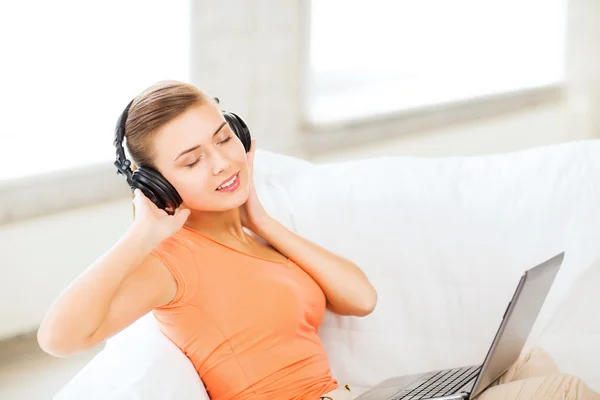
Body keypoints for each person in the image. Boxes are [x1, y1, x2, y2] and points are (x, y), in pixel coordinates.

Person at [37, 81, 599, 400]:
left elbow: (361, 297)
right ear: (157, 183)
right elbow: (59, 338)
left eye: (223, 138)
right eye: (192, 160)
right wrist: (143, 231)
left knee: (531, 361)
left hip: (350, 396)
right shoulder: (172, 260)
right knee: (566, 389)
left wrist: (264, 222)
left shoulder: (259, 238)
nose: (223, 162)